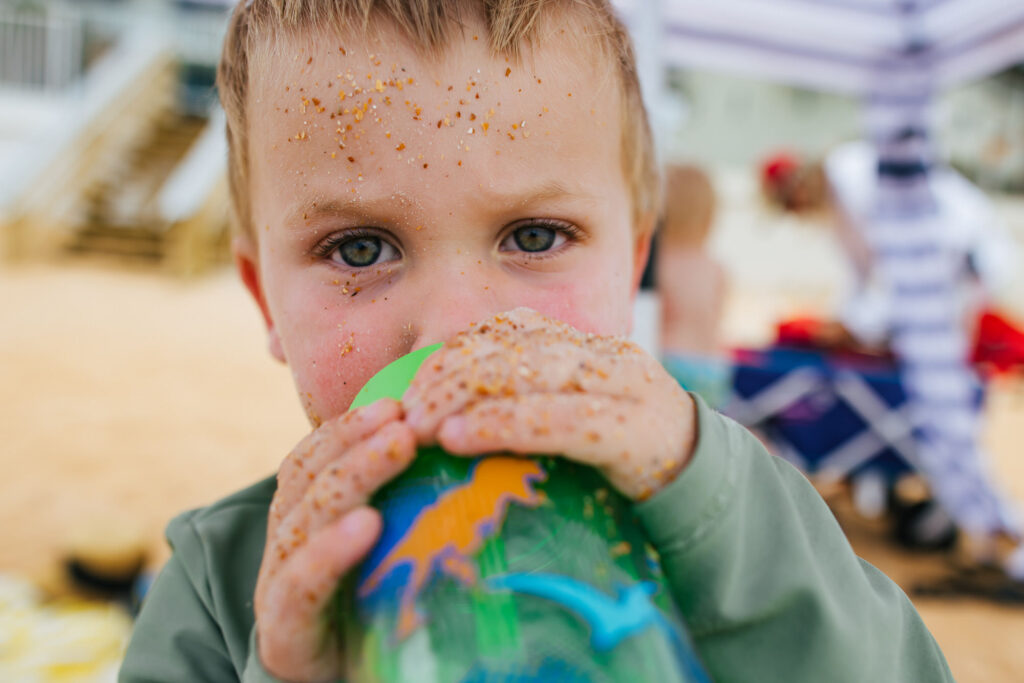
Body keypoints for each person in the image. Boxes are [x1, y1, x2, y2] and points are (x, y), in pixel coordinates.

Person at [120, 2, 953, 681]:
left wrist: (714, 516)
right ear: (267, 297)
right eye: (360, 249)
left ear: (632, 268)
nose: (457, 328)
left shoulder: (738, 518)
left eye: (535, 236)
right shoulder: (219, 589)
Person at [825, 132, 1024, 577]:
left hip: (945, 314)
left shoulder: (862, 183)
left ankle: (998, 534)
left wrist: (864, 326)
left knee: (949, 429)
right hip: (942, 311)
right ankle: (992, 534)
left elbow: (893, 276)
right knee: (945, 427)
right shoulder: (869, 181)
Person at [657, 164, 730, 407]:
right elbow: (717, 317)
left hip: (670, 362)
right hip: (712, 368)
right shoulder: (715, 267)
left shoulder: (660, 263)